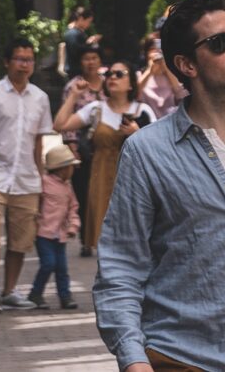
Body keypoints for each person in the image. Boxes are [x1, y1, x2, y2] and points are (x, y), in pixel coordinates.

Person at [92, 0, 225, 372]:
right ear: (187, 64)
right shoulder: (148, 151)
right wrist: (133, 360)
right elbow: (121, 265)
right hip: (181, 358)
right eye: (220, 43)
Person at [0, 37, 54, 313]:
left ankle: (9, 290)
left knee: (21, 237)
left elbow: (40, 142)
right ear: (7, 62)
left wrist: (41, 178)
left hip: (27, 178)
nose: (24, 65)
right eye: (19, 59)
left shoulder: (40, 98)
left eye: (29, 60)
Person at [54, 59, 156, 255]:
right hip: (101, 177)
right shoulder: (96, 108)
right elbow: (60, 125)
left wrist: (137, 133)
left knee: (133, 238)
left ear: (131, 83)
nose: (112, 78)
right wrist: (74, 95)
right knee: (105, 241)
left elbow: (159, 148)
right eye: (109, 74)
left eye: (119, 74)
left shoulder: (143, 111)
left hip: (133, 179)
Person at [60, 45, 104, 256]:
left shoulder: (109, 82)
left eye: (94, 58)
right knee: (84, 195)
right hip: (82, 150)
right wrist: (72, 147)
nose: (91, 62)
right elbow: (66, 120)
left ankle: (104, 237)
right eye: (86, 58)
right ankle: (87, 240)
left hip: (107, 148)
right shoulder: (74, 86)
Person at [28, 143, 82, 310]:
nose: (73, 171)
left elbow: (73, 207)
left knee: (62, 268)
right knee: (48, 264)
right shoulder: (43, 183)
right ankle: (35, 293)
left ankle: (65, 296)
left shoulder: (67, 187)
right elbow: (35, 201)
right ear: (62, 169)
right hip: (43, 233)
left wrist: (73, 225)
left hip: (60, 235)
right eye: (71, 167)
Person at [137, 34, 187, 119]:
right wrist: (149, 71)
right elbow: (134, 94)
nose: (157, 52)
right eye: (153, 49)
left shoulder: (175, 74)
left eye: (160, 49)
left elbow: (182, 96)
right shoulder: (140, 74)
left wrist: (167, 70)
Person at [60, 7, 100, 78]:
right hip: (74, 71)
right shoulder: (72, 34)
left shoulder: (78, 32)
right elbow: (76, 51)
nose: (89, 24)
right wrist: (89, 43)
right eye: (88, 21)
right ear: (81, 19)